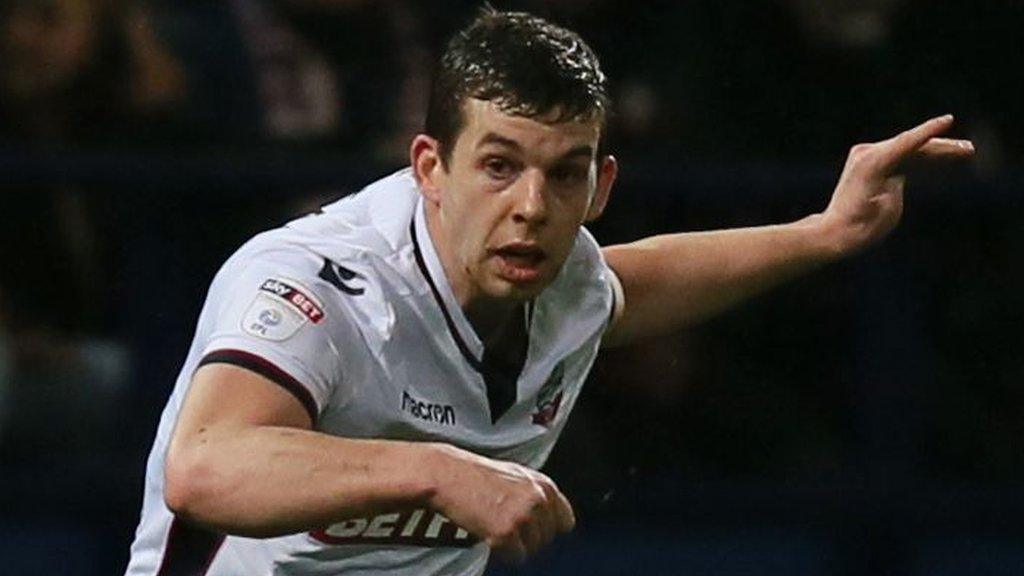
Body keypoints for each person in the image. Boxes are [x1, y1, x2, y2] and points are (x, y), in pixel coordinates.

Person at [123, 8, 974, 576]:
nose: (532, 208)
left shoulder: (564, 279)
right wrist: (433, 473)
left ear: (601, 186)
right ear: (431, 167)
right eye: (498, 166)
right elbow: (206, 466)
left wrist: (824, 234)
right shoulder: (316, 282)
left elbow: (629, 285)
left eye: (565, 174)